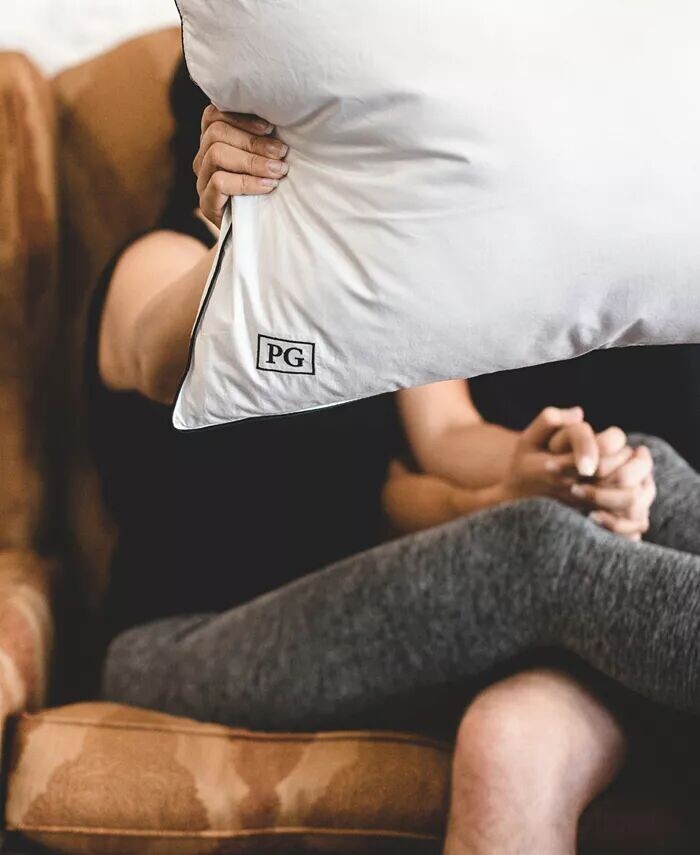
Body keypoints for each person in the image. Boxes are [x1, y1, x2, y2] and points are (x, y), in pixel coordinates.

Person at [91, 62, 700, 855]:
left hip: (350, 616)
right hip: (176, 642)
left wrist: (544, 469)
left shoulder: (373, 284)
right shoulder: (154, 258)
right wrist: (254, 237)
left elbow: (445, 439)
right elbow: (156, 360)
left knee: (640, 463)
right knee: (537, 553)